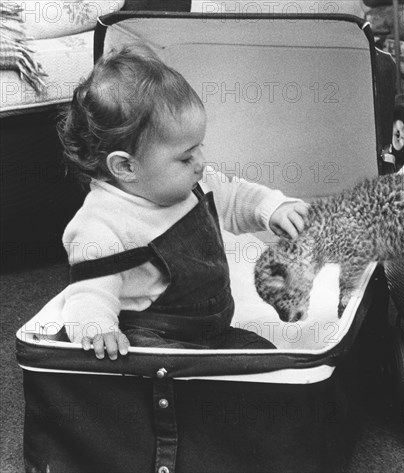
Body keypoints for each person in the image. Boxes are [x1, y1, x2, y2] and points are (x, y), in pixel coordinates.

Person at [57, 46, 309, 360]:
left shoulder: (194, 182)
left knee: (262, 356)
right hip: (150, 336)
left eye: (199, 148)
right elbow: (89, 291)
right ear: (126, 167)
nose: (201, 163)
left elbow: (237, 197)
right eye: (186, 157)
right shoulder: (100, 224)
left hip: (208, 329)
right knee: (164, 365)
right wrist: (96, 327)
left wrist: (272, 208)